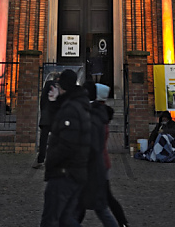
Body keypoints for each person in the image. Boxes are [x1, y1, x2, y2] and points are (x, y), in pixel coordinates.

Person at [40, 69, 91, 227]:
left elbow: (67, 144)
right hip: (71, 172)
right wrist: (55, 102)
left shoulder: (72, 109)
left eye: (59, 86)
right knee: (64, 220)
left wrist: (51, 160)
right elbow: (60, 120)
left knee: (52, 221)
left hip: (65, 173)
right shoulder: (72, 105)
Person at [78, 81, 120, 227]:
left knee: (101, 205)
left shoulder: (95, 115)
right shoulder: (100, 113)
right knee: (97, 204)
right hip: (98, 164)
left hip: (95, 165)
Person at [33, 76, 60, 169]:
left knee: (43, 140)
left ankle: (41, 159)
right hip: (55, 118)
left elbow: (42, 101)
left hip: (46, 117)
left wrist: (43, 111)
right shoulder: (59, 89)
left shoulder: (48, 85)